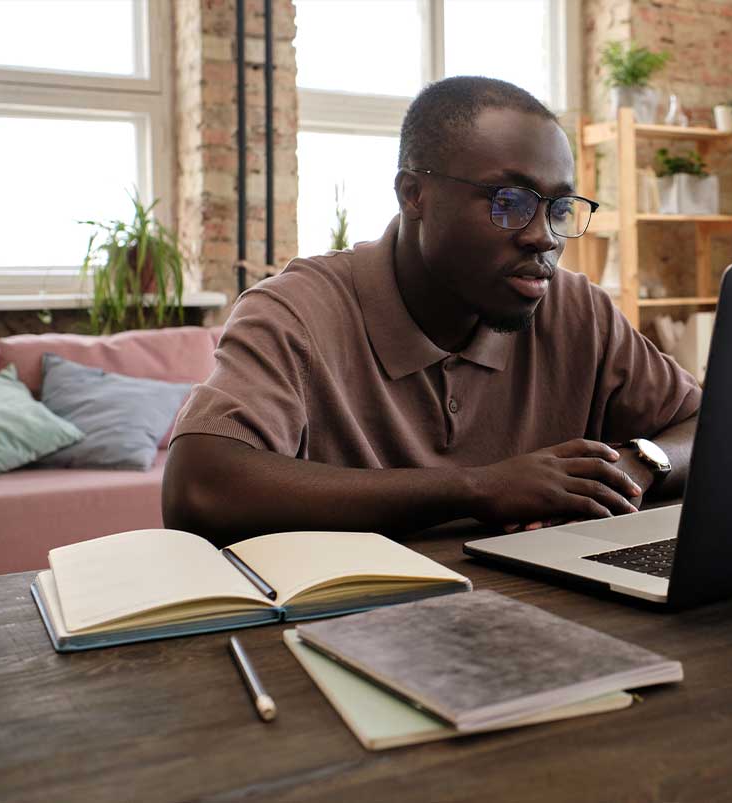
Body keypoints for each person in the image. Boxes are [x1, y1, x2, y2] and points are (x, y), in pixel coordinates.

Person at [162, 76, 700, 547]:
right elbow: (199, 485)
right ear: (413, 194)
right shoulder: (297, 310)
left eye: (559, 208)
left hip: (550, 612)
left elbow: (705, 426)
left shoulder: (576, 308)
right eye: (508, 202)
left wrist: (637, 465)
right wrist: (482, 487)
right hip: (351, 628)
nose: (544, 237)